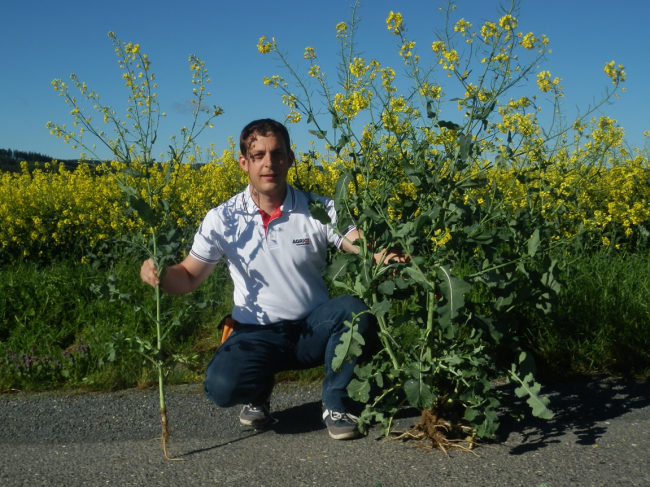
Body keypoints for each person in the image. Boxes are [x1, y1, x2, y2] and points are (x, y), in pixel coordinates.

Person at [140, 119, 390, 440]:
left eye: (277, 154)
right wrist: (162, 275)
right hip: (256, 332)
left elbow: (359, 242)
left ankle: (335, 402)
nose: (269, 164)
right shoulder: (223, 218)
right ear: (244, 163)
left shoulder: (320, 208)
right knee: (221, 387)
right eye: (258, 155)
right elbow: (187, 277)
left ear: (290, 158)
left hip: (312, 330)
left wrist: (384, 255)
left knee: (354, 311)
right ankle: (258, 392)